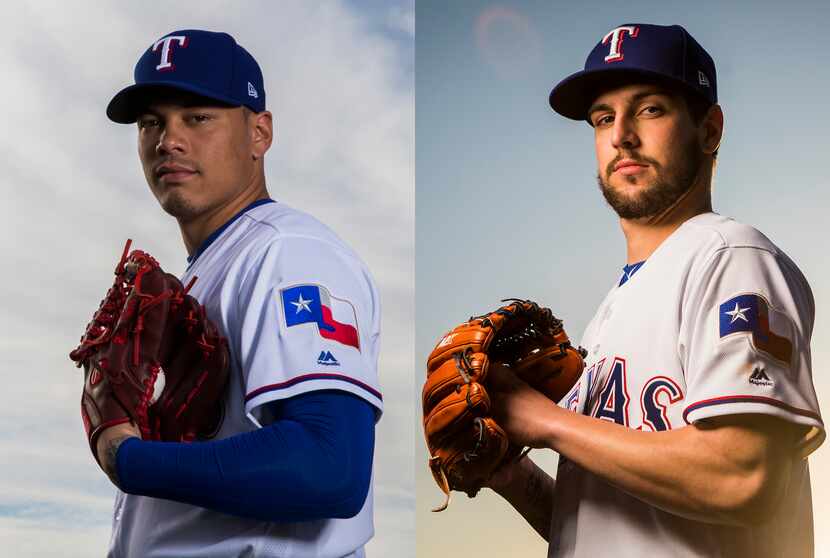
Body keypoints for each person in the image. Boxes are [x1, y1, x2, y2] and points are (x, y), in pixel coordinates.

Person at [486, 23, 824, 557]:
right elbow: (605, 529)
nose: (621, 134)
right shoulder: (609, 315)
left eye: (649, 109)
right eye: (603, 118)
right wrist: (513, 475)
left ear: (709, 130)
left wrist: (545, 421)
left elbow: (743, 478)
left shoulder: (730, 258)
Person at [95, 29, 383, 558]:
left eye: (198, 116)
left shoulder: (289, 254)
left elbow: (329, 466)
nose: (168, 140)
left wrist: (125, 456)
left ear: (259, 133)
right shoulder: (217, 266)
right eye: (152, 122)